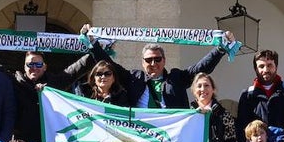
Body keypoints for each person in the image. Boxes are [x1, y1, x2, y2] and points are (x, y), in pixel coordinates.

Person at [12, 45, 94, 142]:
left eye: (38, 64)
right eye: (30, 64)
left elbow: (77, 68)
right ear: (24, 67)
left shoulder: (54, 83)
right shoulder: (14, 83)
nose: (34, 68)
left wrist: (96, 48)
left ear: (45, 67)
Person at [100, 33, 234, 110]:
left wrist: (219, 50)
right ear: (142, 63)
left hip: (171, 135)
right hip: (141, 133)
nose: (153, 63)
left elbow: (201, 68)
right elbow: (111, 67)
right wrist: (94, 46)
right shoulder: (134, 78)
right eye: (148, 60)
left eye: (157, 59)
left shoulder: (176, 78)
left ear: (164, 61)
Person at [235, 49, 284, 142]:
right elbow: (242, 128)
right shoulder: (247, 95)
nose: (266, 70)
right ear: (256, 69)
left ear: (276, 66)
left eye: (269, 65)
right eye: (261, 66)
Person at [191, 72, 237, 142]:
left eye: (206, 85)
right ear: (194, 91)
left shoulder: (224, 114)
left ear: (213, 90)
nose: (203, 89)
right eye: (199, 86)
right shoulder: (188, 115)